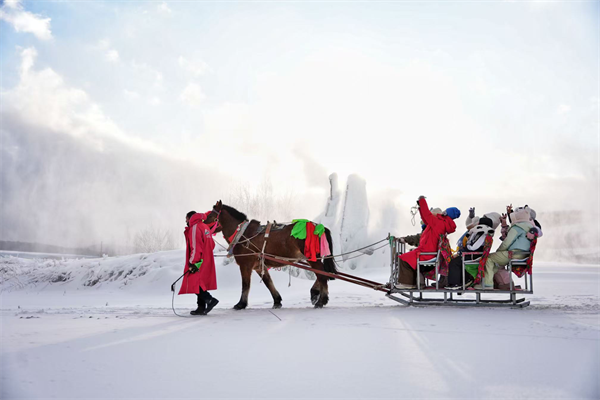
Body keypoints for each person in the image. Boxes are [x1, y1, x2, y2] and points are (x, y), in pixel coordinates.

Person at [395, 196, 460, 289]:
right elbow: (426, 218)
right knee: (408, 257)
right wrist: (420, 207)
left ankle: (408, 283)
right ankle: (414, 282)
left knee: (404, 259)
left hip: (427, 253)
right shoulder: (440, 223)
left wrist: (422, 201)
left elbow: (427, 215)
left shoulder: (438, 222)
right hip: (426, 251)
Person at [478, 207, 534, 290]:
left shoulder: (518, 228)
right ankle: (504, 283)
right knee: (497, 263)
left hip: (514, 254)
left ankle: (487, 284)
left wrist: (498, 252)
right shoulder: (529, 227)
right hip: (523, 255)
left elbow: (507, 242)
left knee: (488, 258)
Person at [179, 210, 219, 315]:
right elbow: (212, 244)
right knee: (199, 282)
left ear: (190, 218)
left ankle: (210, 299)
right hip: (206, 259)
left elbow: (196, 247)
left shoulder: (194, 228)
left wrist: (193, 262)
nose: (185, 221)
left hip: (199, 260)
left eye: (186, 218)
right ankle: (201, 308)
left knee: (195, 281)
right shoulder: (204, 226)